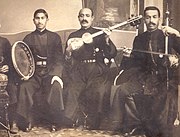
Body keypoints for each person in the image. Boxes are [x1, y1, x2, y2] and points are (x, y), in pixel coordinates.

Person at [110, 6, 180, 137]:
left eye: (154, 17)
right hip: (144, 77)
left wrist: (177, 35)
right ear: (144, 20)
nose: (151, 21)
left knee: (162, 105)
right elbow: (134, 64)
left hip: (164, 78)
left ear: (159, 19)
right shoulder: (139, 39)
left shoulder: (168, 36)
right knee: (123, 90)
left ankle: (153, 128)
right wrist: (128, 56)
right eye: (148, 17)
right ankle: (129, 126)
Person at [63, 8, 117, 130]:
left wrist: (107, 40)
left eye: (87, 16)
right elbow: (66, 60)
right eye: (81, 16)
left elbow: (112, 54)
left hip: (96, 69)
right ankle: (76, 119)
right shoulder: (73, 36)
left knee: (98, 89)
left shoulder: (100, 33)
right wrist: (68, 52)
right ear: (78, 18)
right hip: (79, 69)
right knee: (72, 89)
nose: (84, 18)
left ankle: (93, 121)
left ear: (92, 18)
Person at [16, 9, 64, 132]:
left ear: (47, 20)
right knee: (25, 86)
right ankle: (27, 121)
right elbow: (23, 60)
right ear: (33, 21)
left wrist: (56, 75)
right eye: (37, 18)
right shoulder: (28, 38)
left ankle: (55, 121)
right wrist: (25, 74)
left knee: (56, 86)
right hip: (34, 74)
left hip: (50, 73)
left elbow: (59, 60)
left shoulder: (55, 37)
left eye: (42, 18)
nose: (40, 21)